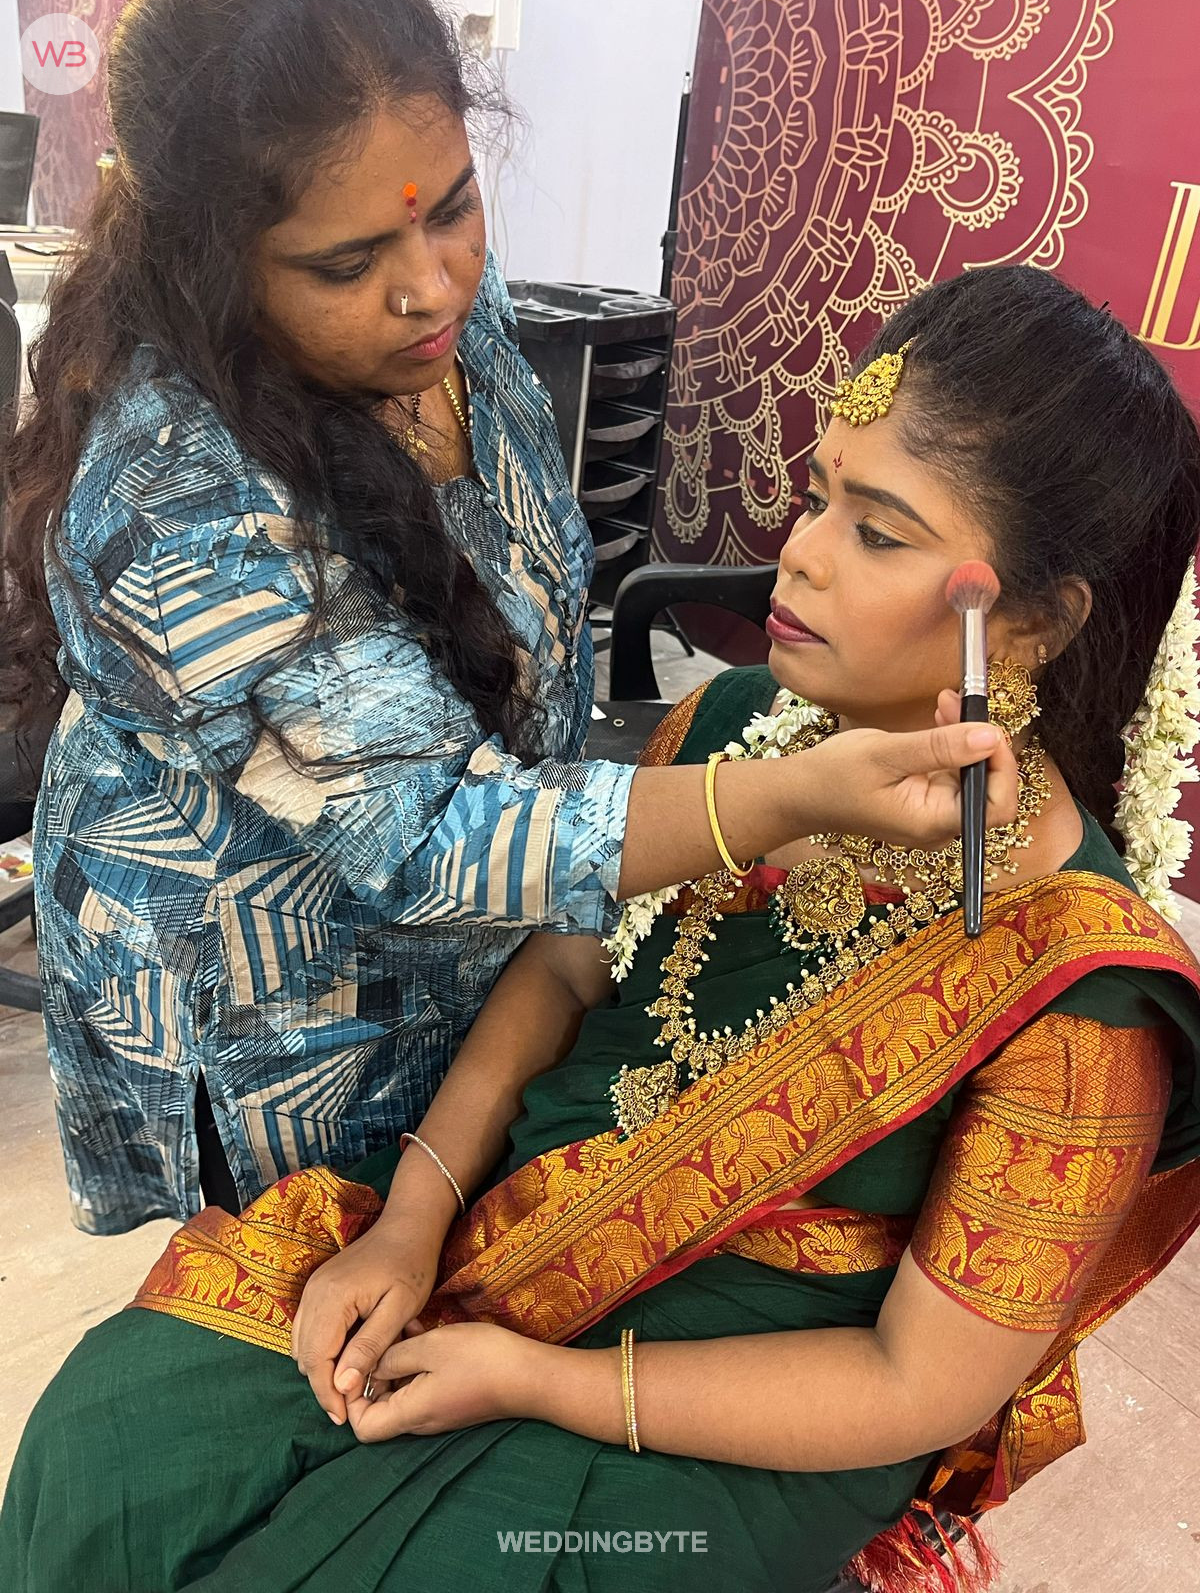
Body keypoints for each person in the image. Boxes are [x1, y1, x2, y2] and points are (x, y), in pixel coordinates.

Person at [6, 265, 1200, 1593]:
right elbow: (568, 966)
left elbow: (919, 1384)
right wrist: (409, 1218)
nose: (800, 551)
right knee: (112, 1448)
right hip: (498, 1231)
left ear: (1029, 621)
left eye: (878, 533)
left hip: (733, 1408)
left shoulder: (1083, 1000)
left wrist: (534, 1381)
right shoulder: (736, 729)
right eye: (819, 494)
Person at [0, 0, 1000, 1235]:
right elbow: (432, 834)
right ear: (210, 260)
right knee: (301, 1285)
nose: (431, 288)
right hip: (271, 1002)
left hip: (474, 944)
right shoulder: (176, 498)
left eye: (456, 207)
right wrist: (789, 796)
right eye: (348, 265)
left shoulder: (440, 320)